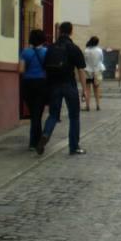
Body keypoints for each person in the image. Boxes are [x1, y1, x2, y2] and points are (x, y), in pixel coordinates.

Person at [36, 22, 87, 156]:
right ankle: (74, 147)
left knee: (53, 115)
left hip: (54, 85)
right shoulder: (73, 48)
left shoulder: (51, 48)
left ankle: (46, 134)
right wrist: (84, 89)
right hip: (69, 85)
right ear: (71, 32)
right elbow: (81, 70)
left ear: (59, 31)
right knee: (74, 116)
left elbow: (45, 67)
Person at [19, 29, 48, 151]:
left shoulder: (25, 52)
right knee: (38, 113)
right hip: (41, 83)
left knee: (33, 114)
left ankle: (34, 142)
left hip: (28, 83)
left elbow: (21, 70)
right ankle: (36, 142)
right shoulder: (47, 52)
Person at [83, 36, 105, 111]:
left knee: (87, 89)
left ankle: (87, 105)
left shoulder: (86, 50)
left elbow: (84, 60)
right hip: (97, 70)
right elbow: (101, 59)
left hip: (88, 70)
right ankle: (98, 105)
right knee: (97, 88)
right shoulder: (99, 50)